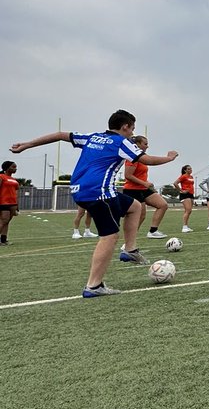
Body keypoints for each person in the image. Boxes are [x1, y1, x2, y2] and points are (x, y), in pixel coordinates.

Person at [9, 110, 177, 297]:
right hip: (100, 192)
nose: (132, 133)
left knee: (135, 207)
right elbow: (147, 160)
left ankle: (130, 250)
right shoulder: (121, 142)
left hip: (80, 191)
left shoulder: (93, 137)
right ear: (125, 127)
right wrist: (169, 158)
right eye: (132, 129)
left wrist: (27, 144)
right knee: (109, 236)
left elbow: (59, 135)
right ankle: (94, 286)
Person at [122, 135, 169, 239]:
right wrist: (144, 183)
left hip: (143, 189)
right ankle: (128, 243)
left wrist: (145, 183)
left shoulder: (143, 157)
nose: (147, 146)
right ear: (137, 144)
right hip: (132, 190)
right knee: (140, 216)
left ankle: (153, 231)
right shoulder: (132, 157)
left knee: (163, 205)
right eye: (145, 144)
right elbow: (128, 175)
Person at [0, 160, 20, 246]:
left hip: (13, 203)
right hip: (3, 202)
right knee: (3, 220)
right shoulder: (1, 177)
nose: (15, 169)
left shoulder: (14, 180)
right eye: (13, 167)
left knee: (7, 221)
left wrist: (17, 204)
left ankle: (4, 240)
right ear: (7, 168)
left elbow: (16, 192)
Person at [174, 164, 196, 232]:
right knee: (188, 210)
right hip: (185, 195)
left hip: (191, 194)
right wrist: (181, 190)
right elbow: (175, 183)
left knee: (189, 211)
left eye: (191, 168)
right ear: (185, 170)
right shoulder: (183, 176)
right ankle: (184, 227)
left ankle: (186, 226)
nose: (190, 170)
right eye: (189, 169)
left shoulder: (191, 176)